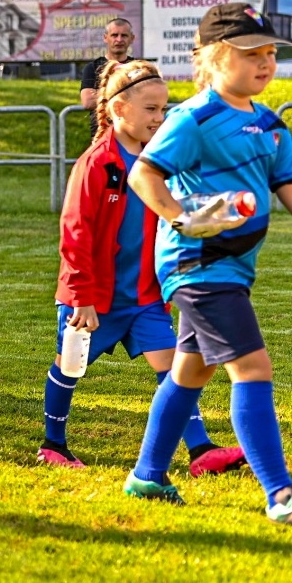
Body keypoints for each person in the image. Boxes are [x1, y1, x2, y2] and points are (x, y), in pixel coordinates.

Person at [124, 2, 292, 522]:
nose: (264, 63)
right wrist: (181, 217)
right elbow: (144, 176)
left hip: (233, 270)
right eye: (249, 54)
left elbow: (286, 187)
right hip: (197, 264)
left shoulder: (269, 124)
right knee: (253, 367)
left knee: (190, 373)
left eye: (269, 53)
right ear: (214, 59)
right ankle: (280, 493)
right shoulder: (194, 117)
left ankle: (147, 477)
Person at [45, 59, 244, 473]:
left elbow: (176, 212)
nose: (160, 117)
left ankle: (200, 450)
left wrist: (219, 213)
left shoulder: (161, 161)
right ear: (119, 109)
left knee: (174, 369)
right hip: (92, 299)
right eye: (151, 109)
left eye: (164, 109)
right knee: (69, 368)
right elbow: (75, 232)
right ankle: (53, 445)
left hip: (143, 298)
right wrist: (81, 297)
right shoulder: (96, 163)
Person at [78, 17, 136, 138]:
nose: (119, 40)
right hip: (102, 137)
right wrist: (130, 91)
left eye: (124, 35)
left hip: (133, 135)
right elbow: (88, 102)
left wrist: (103, 94)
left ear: (132, 38)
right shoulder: (92, 68)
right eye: (114, 35)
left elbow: (148, 97)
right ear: (106, 38)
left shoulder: (139, 67)